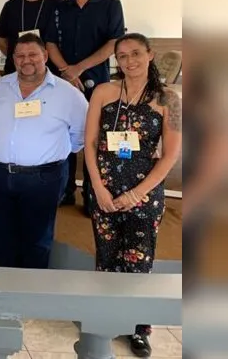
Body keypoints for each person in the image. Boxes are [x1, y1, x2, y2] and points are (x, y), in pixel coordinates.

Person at [84, 33, 182, 357]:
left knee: (139, 261)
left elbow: (170, 156)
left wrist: (136, 194)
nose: (129, 61)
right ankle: (106, 318)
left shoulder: (171, 100)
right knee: (107, 258)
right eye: (122, 56)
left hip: (145, 192)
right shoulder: (103, 92)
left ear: (150, 55)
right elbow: (90, 143)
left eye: (136, 54)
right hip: (105, 190)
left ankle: (139, 328)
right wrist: (97, 188)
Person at [0, 33, 87, 269]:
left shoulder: (69, 94)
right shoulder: (1, 87)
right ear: (13, 58)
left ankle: (30, 296)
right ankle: (4, 289)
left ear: (45, 55)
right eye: (20, 56)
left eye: (32, 54)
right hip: (1, 175)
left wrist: (54, 155)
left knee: (37, 239)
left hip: (44, 178)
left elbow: (82, 133)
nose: (26, 60)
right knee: (0, 234)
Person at [44, 0, 125, 209]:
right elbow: (50, 43)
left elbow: (113, 43)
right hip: (64, 82)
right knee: (64, 137)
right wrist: (67, 71)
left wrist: (78, 69)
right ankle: (64, 191)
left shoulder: (111, 5)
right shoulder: (59, 7)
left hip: (97, 83)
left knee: (95, 138)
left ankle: (92, 194)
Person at [0, 0, 64, 75]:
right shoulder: (10, 6)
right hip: (16, 72)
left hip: (51, 73)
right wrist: (22, 58)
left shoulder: (60, 5)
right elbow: (2, 42)